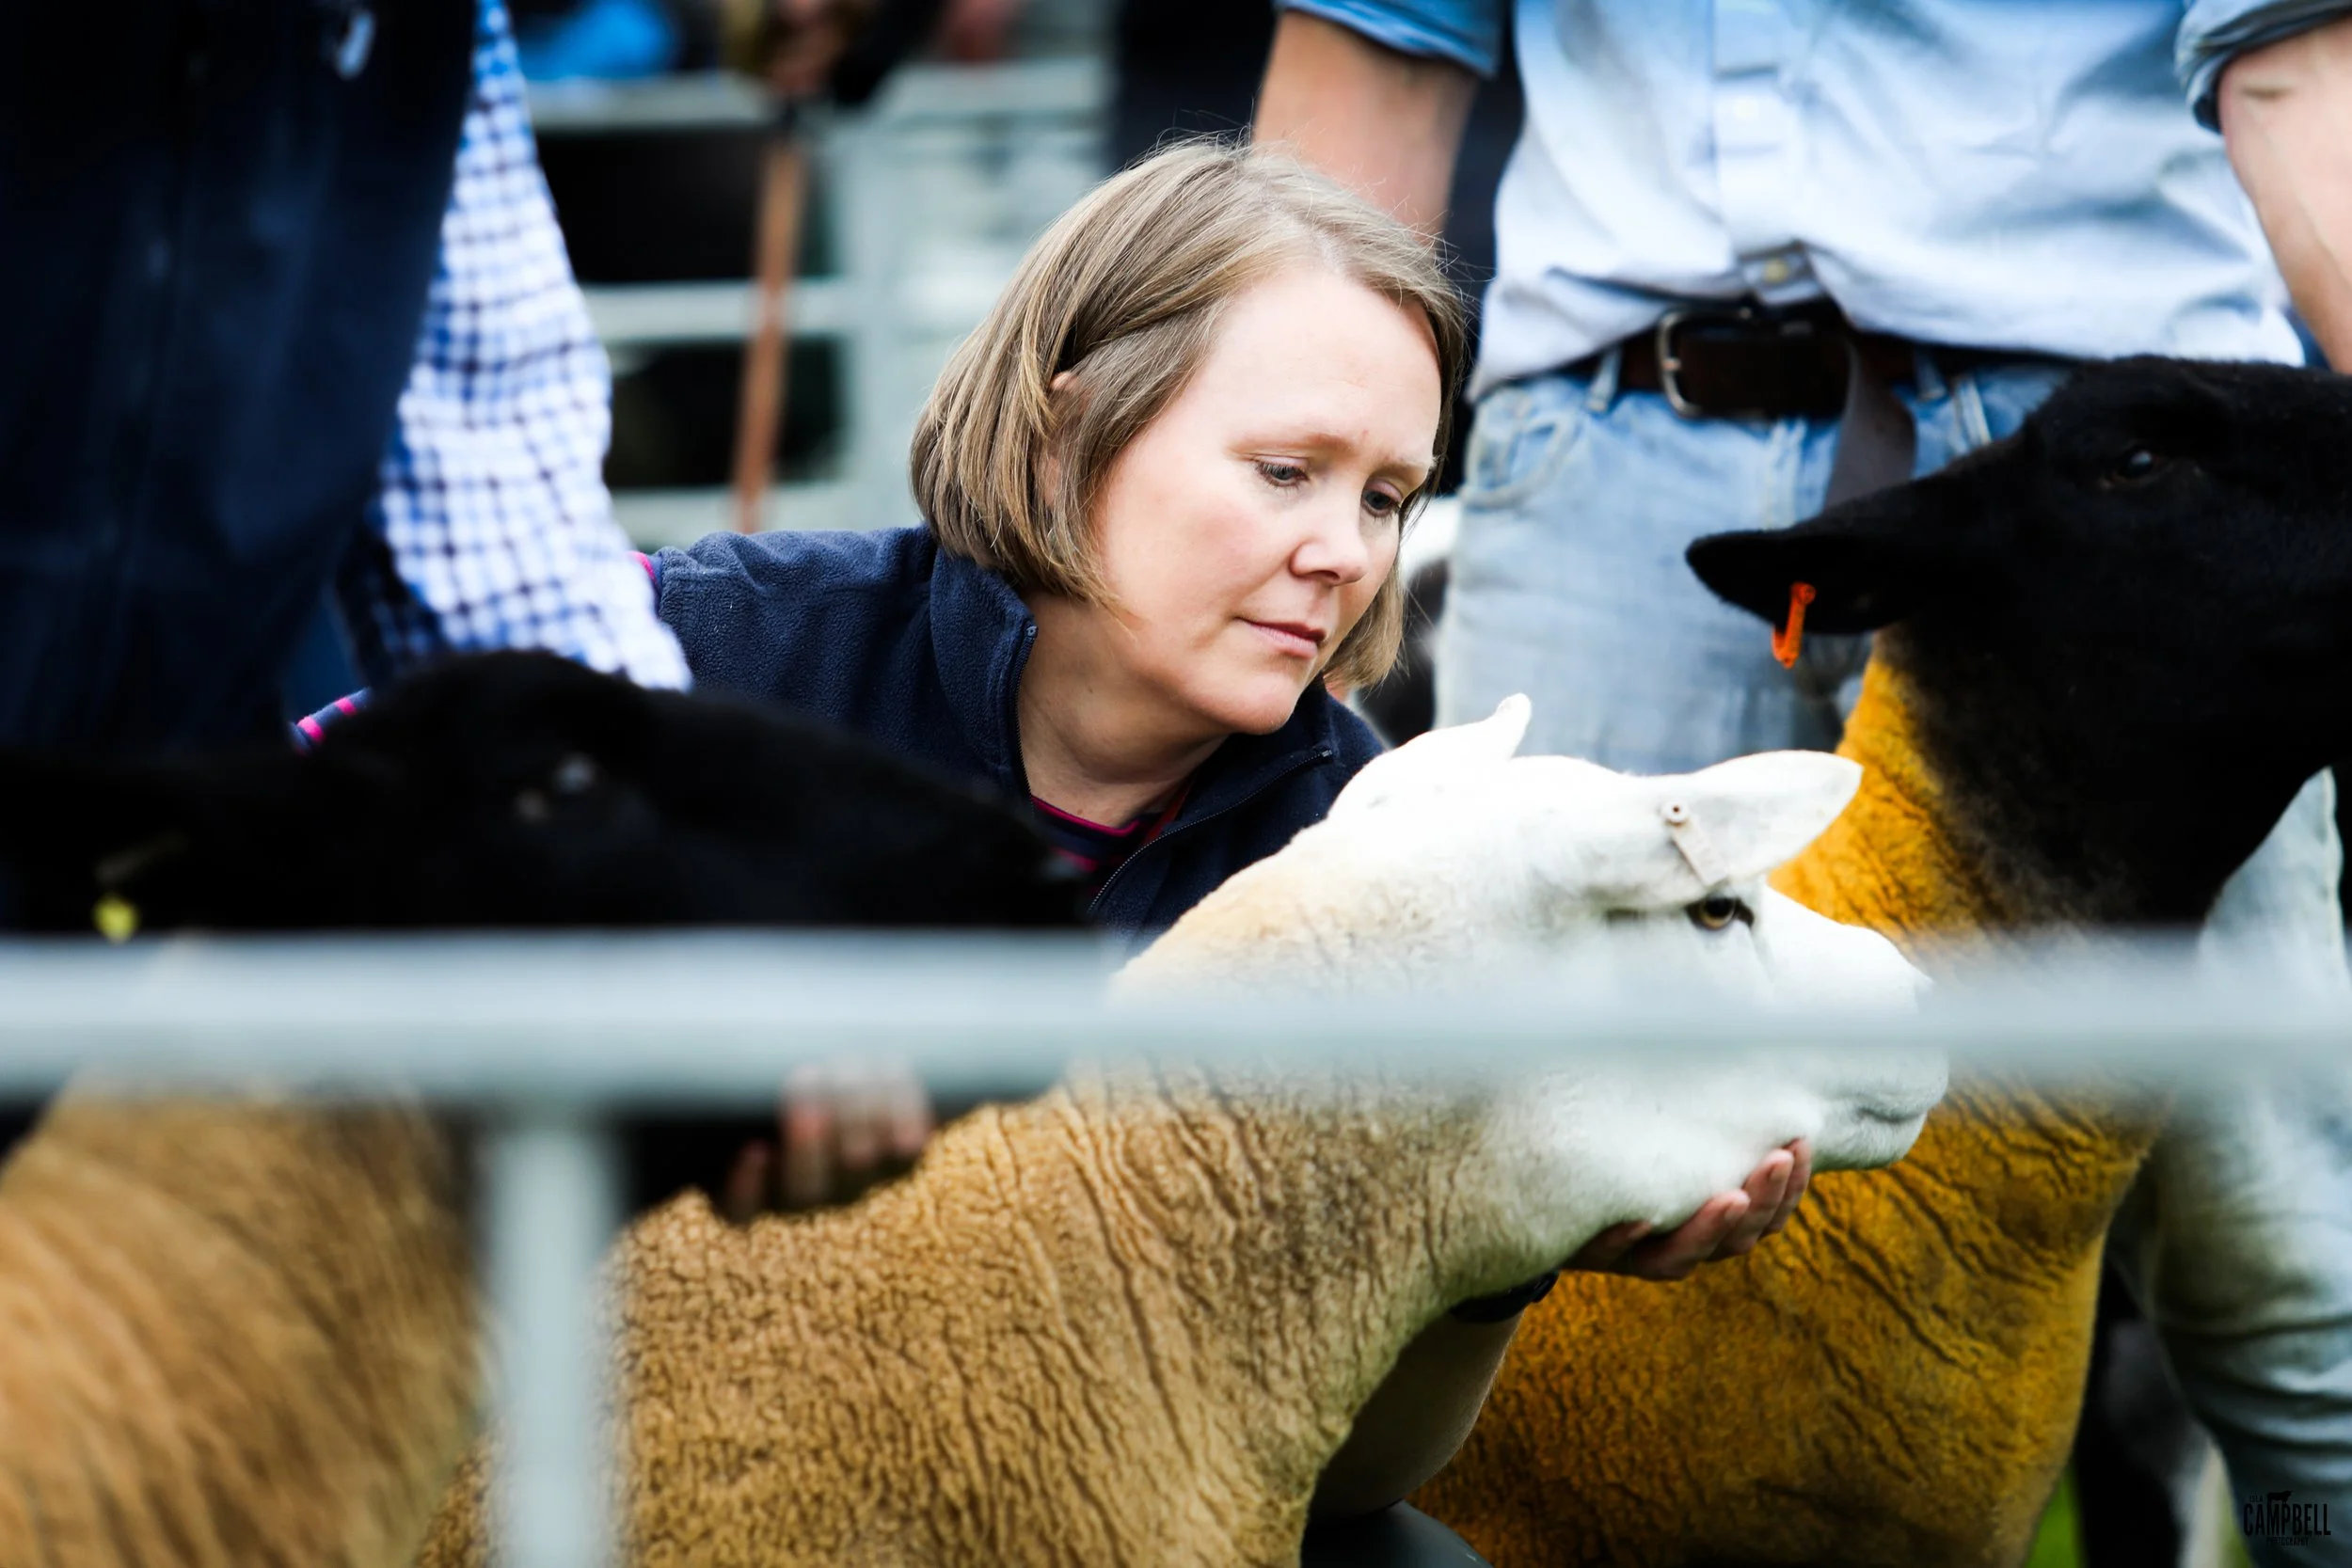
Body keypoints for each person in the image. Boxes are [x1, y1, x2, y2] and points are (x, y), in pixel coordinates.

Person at [1250, 5, 2352, 1560]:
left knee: (2290, 1270)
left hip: (2134, 500)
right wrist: (1281, 514)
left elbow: (2298, 59)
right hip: (1621, 455)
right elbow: (1379, 53)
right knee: (1525, 1205)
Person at [643, 139, 1816, 1518]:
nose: (1345, 552)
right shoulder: (704, 654)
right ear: (1066, 429)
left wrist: (1502, 1248)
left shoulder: (1376, 847)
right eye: (1284, 470)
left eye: (1385, 497)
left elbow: (1351, 1485)